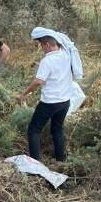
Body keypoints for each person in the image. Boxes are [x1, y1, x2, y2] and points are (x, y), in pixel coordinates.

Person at [19, 27, 83, 162]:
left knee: (34, 130)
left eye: (41, 45)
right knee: (57, 129)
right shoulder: (66, 54)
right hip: (65, 101)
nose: (41, 48)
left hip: (49, 103)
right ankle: (61, 160)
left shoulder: (47, 61)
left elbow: (38, 81)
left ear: (47, 45)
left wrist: (24, 94)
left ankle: (35, 163)